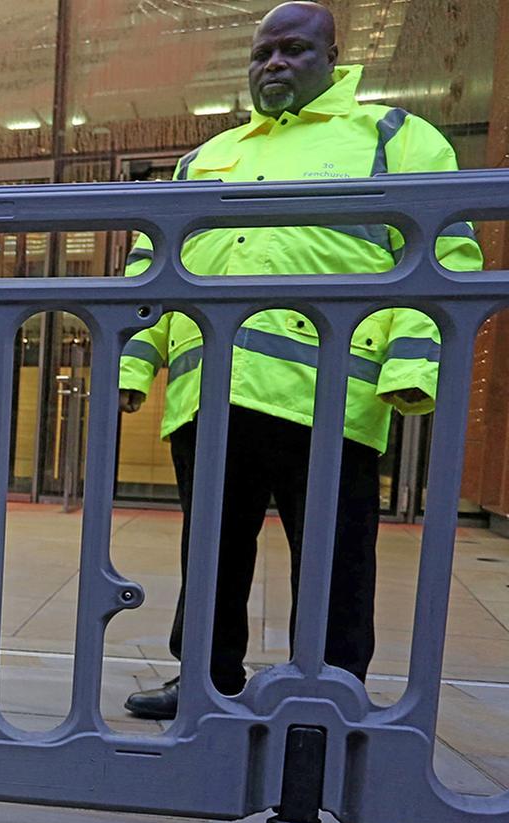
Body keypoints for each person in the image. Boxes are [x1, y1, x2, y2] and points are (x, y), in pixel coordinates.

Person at [120, 1, 483, 720]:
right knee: (213, 553)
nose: (274, 64)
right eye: (262, 54)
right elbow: (152, 267)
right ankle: (205, 680)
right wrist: (136, 364)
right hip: (212, 390)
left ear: (334, 56)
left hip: (328, 396)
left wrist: (410, 368)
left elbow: (442, 255)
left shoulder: (394, 137)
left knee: (335, 558)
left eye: (292, 50)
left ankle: (329, 688)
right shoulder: (208, 156)